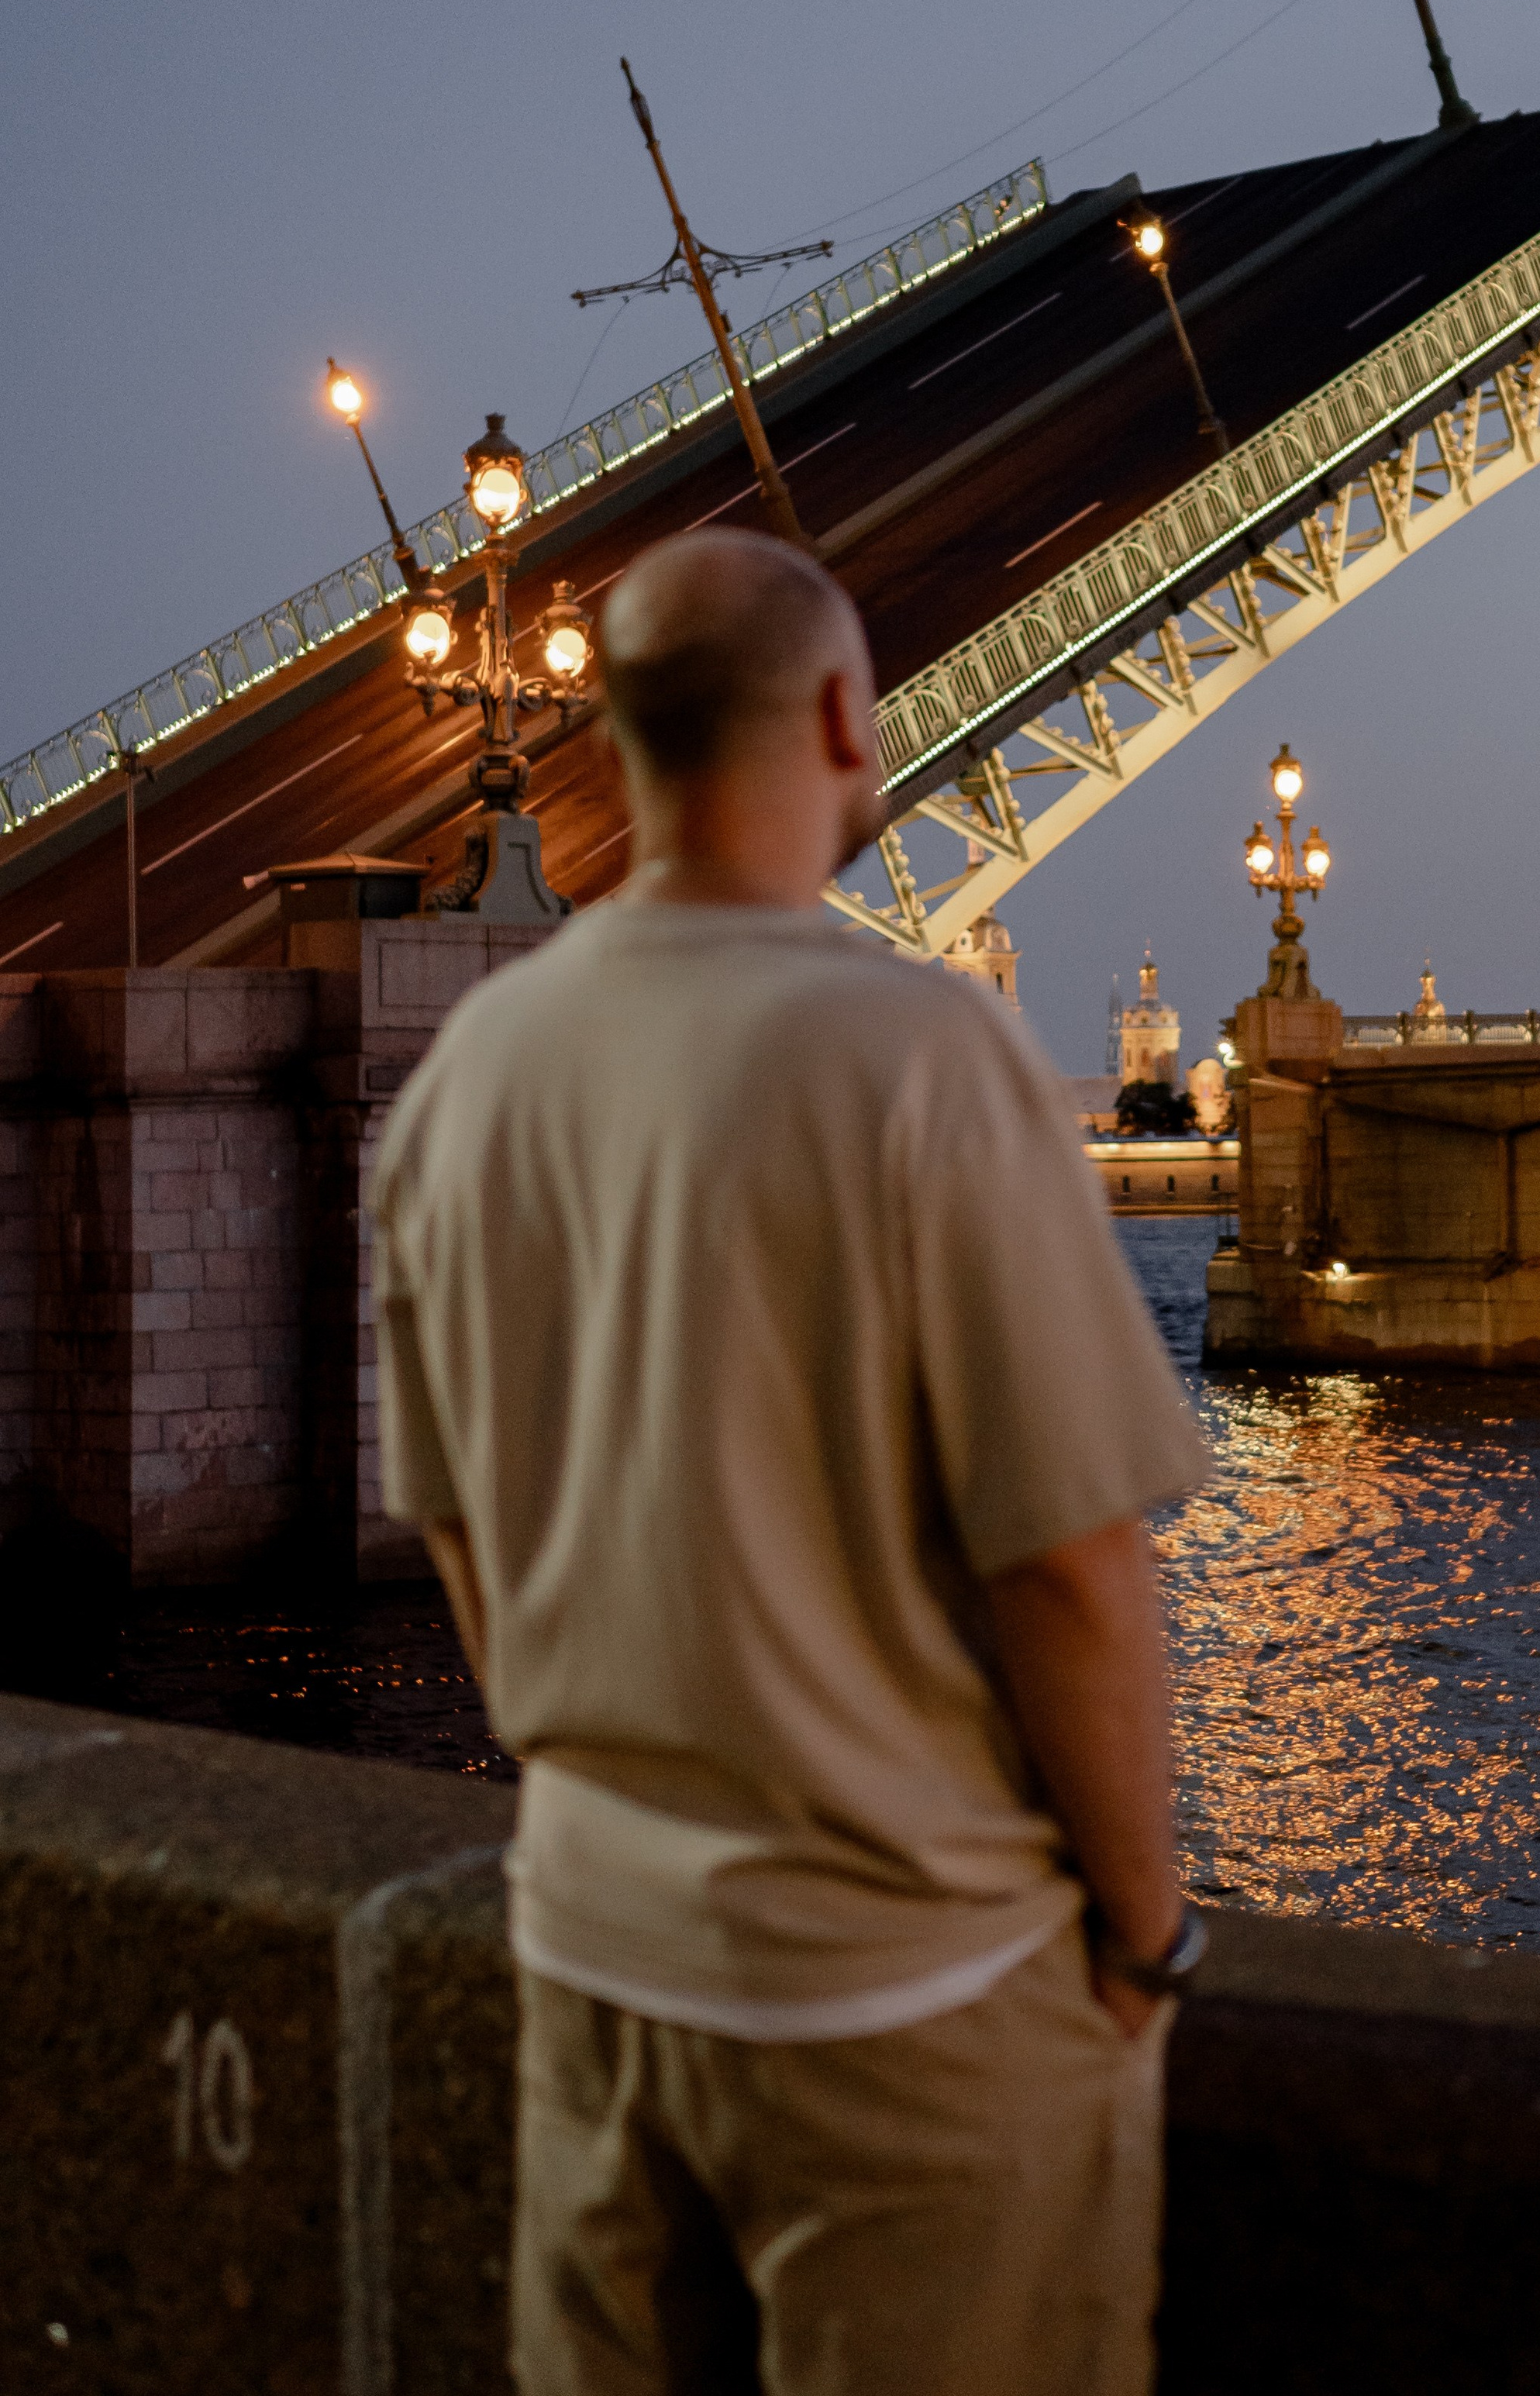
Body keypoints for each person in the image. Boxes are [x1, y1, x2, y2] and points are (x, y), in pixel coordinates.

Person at [371, 527, 1211, 2396]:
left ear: (618, 742)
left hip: (591, 1970)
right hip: (899, 2001)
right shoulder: (919, 1054)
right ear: (841, 716)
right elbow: (1068, 1570)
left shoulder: (469, 1075)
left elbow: (458, 1541)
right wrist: (1143, 1946)